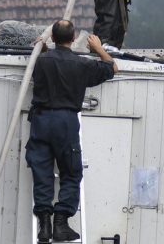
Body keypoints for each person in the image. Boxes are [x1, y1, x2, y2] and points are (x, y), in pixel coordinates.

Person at [26, 20, 118, 242]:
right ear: (74, 38)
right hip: (65, 122)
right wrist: (98, 48)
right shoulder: (82, 64)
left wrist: (43, 49)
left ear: (53, 38)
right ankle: (61, 223)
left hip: (40, 120)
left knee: (42, 173)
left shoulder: (39, 60)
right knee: (71, 171)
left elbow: (44, 63)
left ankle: (44, 227)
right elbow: (112, 67)